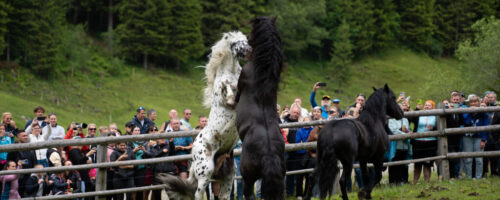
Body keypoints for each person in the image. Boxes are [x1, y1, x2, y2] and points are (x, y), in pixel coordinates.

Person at [463, 95, 490, 179]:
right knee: (468, 159)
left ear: (479, 103)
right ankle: (468, 177)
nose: (473, 103)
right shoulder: (466, 111)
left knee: (479, 159)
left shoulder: (484, 113)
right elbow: (466, 122)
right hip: (468, 137)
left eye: (475, 102)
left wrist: (483, 140)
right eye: (471, 102)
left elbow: (486, 127)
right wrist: (469, 112)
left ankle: (478, 177)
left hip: (479, 137)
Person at [412, 100, 437, 184]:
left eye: (429, 105)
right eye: (426, 105)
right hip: (418, 141)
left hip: (430, 141)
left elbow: (439, 127)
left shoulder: (436, 115)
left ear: (433, 107)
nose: (426, 106)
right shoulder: (419, 114)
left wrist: (433, 129)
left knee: (427, 163)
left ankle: (427, 182)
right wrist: (416, 109)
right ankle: (415, 182)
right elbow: (412, 119)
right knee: (417, 163)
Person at [144, 134, 176, 200]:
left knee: (171, 193)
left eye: (164, 138)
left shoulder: (168, 146)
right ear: (157, 140)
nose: (163, 139)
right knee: (157, 194)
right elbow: (154, 155)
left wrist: (171, 142)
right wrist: (162, 152)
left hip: (168, 173)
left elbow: (173, 152)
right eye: (161, 138)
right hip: (158, 174)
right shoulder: (153, 148)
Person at [6, 130, 36, 197]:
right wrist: (24, 162)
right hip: (18, 178)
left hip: (30, 177)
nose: (26, 137)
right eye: (23, 136)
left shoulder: (30, 147)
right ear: (18, 137)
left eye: (26, 135)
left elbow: (34, 161)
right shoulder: (13, 148)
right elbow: (10, 163)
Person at [388, 102, 411, 185]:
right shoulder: (391, 119)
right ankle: (393, 181)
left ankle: (402, 180)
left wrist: (408, 132)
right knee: (394, 162)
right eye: (402, 109)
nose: (403, 111)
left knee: (403, 162)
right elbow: (393, 130)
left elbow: (408, 129)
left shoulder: (405, 119)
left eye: (405, 110)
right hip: (395, 145)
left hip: (404, 145)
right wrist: (404, 134)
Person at [445, 91, 465, 178]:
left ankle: (456, 175)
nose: (456, 101)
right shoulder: (446, 108)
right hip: (448, 136)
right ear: (451, 99)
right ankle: (450, 174)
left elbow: (462, 121)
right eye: (454, 99)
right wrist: (449, 110)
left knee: (457, 155)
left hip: (457, 136)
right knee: (450, 155)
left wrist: (460, 111)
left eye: (457, 100)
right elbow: (445, 121)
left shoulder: (460, 109)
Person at [283, 104, 301, 197]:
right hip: (286, 150)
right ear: (290, 112)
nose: (296, 114)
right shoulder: (284, 121)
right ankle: (281, 193)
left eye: (298, 113)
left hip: (297, 152)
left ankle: (290, 193)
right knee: (283, 172)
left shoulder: (301, 122)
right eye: (294, 112)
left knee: (293, 173)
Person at [295, 117, 313, 199]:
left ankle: (307, 193)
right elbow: (298, 143)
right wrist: (308, 145)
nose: (306, 123)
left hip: (310, 156)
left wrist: (304, 144)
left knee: (309, 175)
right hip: (301, 155)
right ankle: (299, 194)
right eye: (305, 122)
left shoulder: (313, 130)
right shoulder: (299, 131)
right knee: (300, 175)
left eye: (308, 121)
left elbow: (313, 142)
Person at [483, 91, 498, 177]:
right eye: (488, 97)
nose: (489, 99)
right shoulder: (483, 107)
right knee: (484, 154)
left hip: (495, 134)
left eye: (491, 97)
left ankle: (494, 172)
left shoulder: (497, 107)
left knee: (495, 155)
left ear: (495, 98)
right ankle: (485, 172)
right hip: (486, 134)